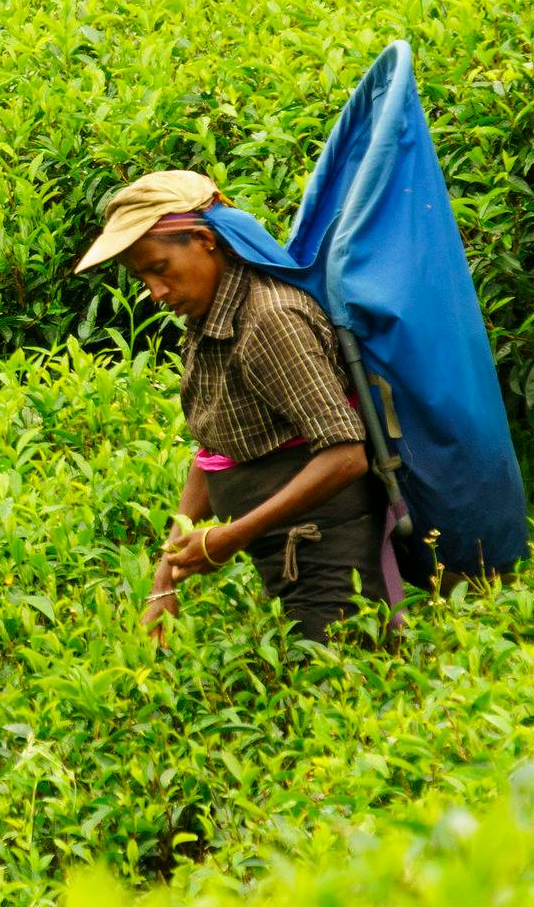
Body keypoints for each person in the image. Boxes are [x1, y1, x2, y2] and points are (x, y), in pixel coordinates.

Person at [76, 170, 401, 645]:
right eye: (142, 277)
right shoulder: (209, 319)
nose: (156, 292)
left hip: (327, 556)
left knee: (346, 687)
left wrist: (233, 535)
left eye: (160, 268)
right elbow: (213, 452)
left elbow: (347, 452)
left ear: (205, 240)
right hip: (286, 556)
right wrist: (163, 581)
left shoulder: (270, 318)